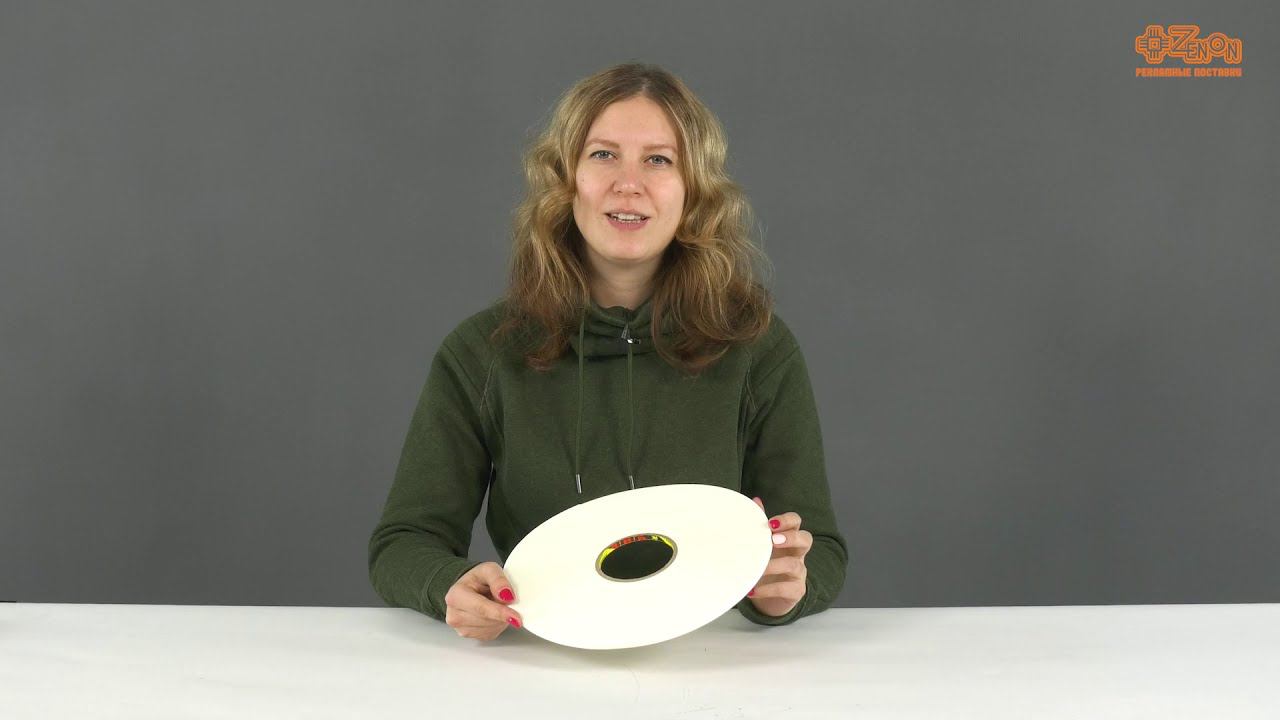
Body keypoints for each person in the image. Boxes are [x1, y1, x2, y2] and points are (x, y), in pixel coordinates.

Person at [368, 62, 847, 641]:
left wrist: (785, 590)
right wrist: (448, 583)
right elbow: (404, 542)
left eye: (659, 160)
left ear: (694, 189)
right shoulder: (484, 353)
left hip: (707, 662)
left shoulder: (757, 348)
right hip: (540, 658)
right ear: (564, 179)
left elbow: (820, 550)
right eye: (603, 155)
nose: (628, 183)